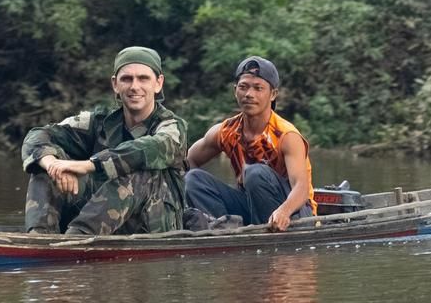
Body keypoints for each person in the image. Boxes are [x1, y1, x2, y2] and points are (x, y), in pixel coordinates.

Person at [21, 46, 187, 236]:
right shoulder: (98, 122)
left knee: (137, 171)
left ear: (158, 83)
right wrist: (53, 164)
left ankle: (77, 237)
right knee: (46, 168)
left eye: (143, 78)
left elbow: (148, 148)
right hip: (106, 219)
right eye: (126, 79)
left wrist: (90, 165)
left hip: (154, 222)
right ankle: (39, 239)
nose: (134, 86)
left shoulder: (172, 127)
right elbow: (37, 135)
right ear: (115, 84)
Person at [185, 56, 316, 231]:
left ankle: (269, 231)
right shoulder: (225, 131)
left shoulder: (286, 135)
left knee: (255, 173)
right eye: (243, 87)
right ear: (235, 90)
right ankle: (221, 230)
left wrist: (283, 211)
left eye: (258, 88)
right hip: (251, 206)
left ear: (273, 94)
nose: (249, 94)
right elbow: (189, 161)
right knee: (193, 179)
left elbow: (301, 188)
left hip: (295, 213)